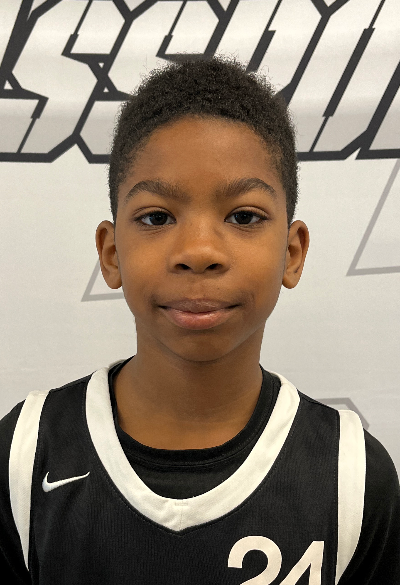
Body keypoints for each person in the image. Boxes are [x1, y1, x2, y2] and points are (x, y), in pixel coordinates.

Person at [0, 57, 399, 584]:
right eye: (157, 217)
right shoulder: (26, 453)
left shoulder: (353, 475)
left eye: (243, 216)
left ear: (292, 253)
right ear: (112, 253)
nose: (198, 251)